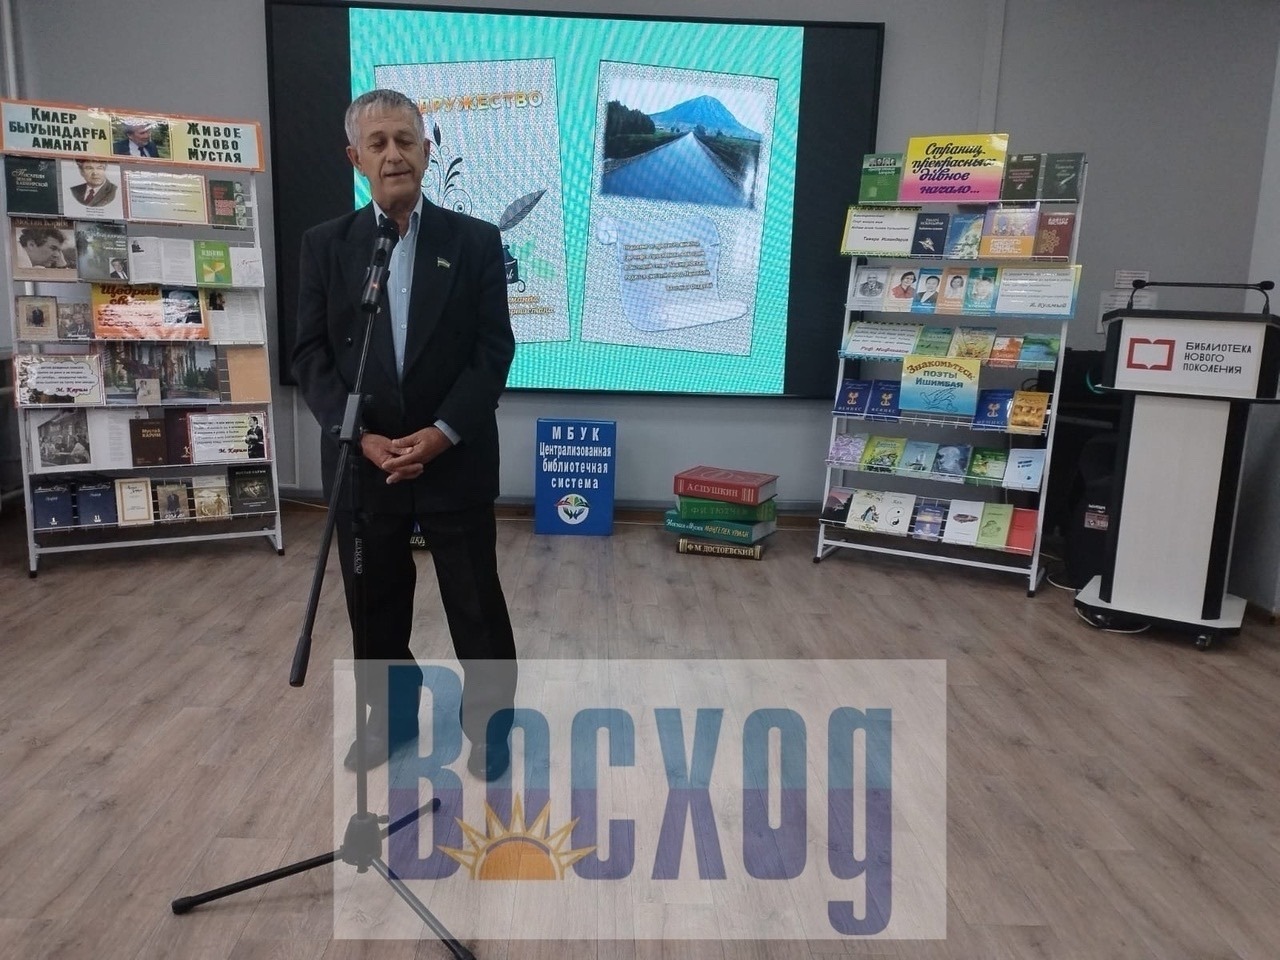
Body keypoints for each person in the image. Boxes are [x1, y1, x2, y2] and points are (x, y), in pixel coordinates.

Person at [292, 88, 518, 778]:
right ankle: (390, 718)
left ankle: (491, 728)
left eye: (406, 140)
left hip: (453, 457)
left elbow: (492, 351)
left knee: (475, 606)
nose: (394, 154)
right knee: (374, 607)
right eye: (379, 143)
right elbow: (310, 356)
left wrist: (443, 432)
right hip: (364, 464)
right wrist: (359, 435)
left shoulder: (474, 241)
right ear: (355, 158)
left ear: (426, 150)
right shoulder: (327, 246)